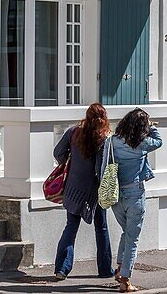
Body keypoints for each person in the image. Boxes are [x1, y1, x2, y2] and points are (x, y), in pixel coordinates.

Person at [53, 103, 113, 280]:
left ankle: (61, 269)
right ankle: (104, 269)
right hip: (95, 191)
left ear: (86, 116)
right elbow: (101, 168)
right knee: (101, 228)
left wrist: (70, 163)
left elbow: (58, 152)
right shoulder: (104, 139)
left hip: (74, 187)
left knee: (71, 227)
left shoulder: (73, 132)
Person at [106, 108, 162, 293]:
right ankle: (125, 280)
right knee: (132, 239)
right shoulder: (142, 143)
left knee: (126, 232)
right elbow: (159, 141)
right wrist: (152, 126)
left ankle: (120, 267)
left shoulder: (113, 141)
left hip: (115, 195)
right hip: (134, 193)